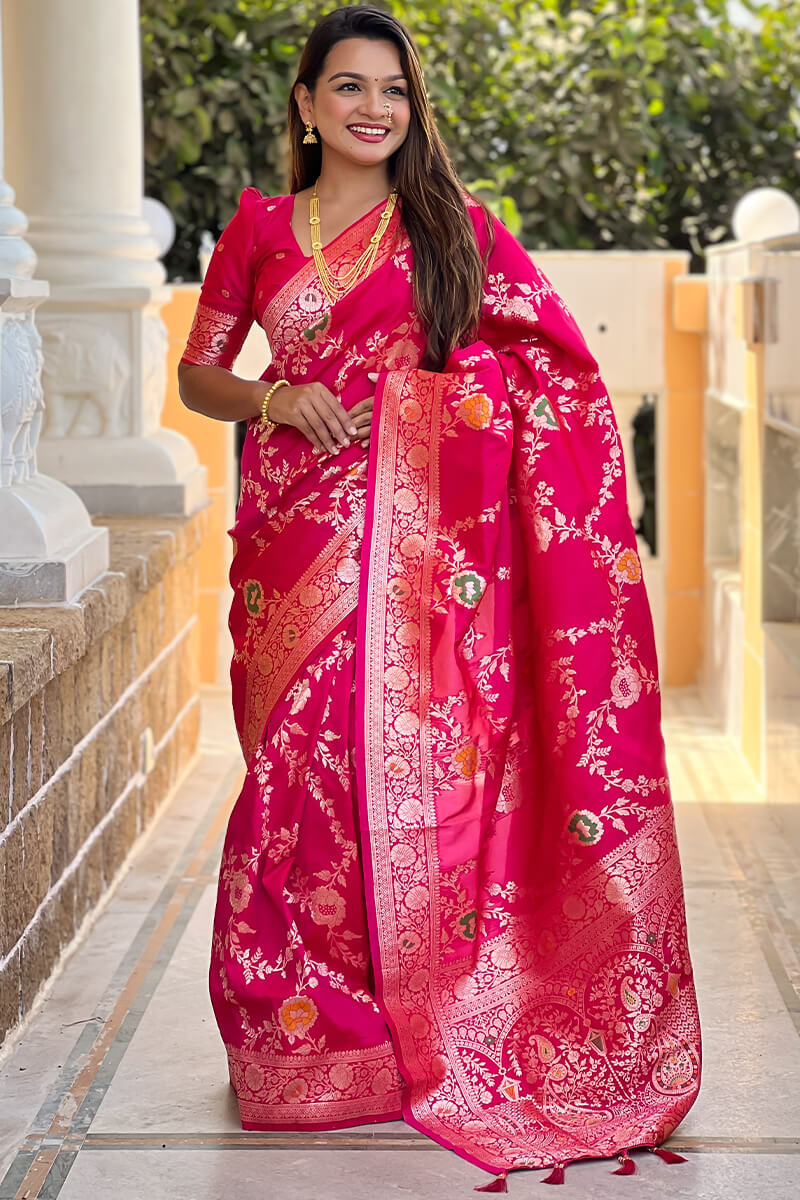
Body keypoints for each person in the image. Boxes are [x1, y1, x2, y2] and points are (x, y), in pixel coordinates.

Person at [178, 5, 701, 1187]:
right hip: (294, 544)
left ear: (412, 113)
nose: (373, 108)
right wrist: (271, 401)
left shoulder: (454, 229)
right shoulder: (258, 230)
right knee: (298, 774)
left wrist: (433, 418)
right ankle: (306, 1034)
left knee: (406, 772)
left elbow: (547, 370)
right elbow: (201, 371)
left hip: (426, 561)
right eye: (349, 87)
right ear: (306, 104)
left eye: (395, 92)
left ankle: (412, 1011)